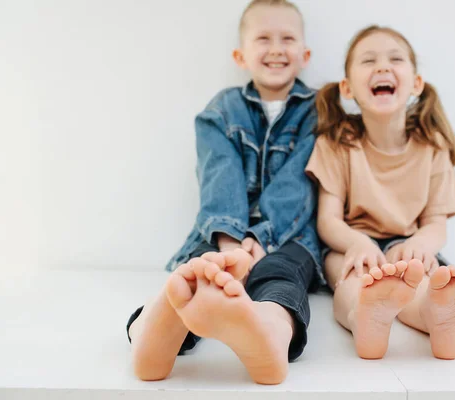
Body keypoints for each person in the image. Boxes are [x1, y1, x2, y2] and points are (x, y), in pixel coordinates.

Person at [127, 0, 322, 385]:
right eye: (263, 38)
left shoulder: (318, 111)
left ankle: (268, 332)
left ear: (305, 54)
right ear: (241, 54)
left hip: (288, 235)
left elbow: (301, 180)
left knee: (281, 276)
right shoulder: (223, 109)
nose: (276, 48)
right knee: (198, 272)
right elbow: (220, 172)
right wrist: (231, 243)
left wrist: (261, 238)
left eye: (287, 38)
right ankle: (154, 327)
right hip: (222, 233)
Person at [306, 25, 455, 361]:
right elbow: (328, 220)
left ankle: (436, 318)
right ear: (347, 88)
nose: (383, 67)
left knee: (422, 281)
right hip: (353, 244)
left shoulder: (432, 146)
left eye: (395, 59)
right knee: (353, 279)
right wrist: (359, 244)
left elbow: (436, 224)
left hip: (408, 244)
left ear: (416, 83)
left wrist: (417, 245)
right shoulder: (336, 143)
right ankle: (364, 317)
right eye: (368, 60)